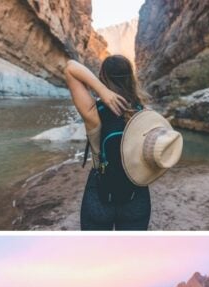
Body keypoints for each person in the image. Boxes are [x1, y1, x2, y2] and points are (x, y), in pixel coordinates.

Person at [63, 55, 150, 230]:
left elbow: (70, 67)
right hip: (136, 194)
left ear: (102, 77)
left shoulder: (93, 112)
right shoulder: (143, 113)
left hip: (100, 192)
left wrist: (101, 90)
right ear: (131, 78)